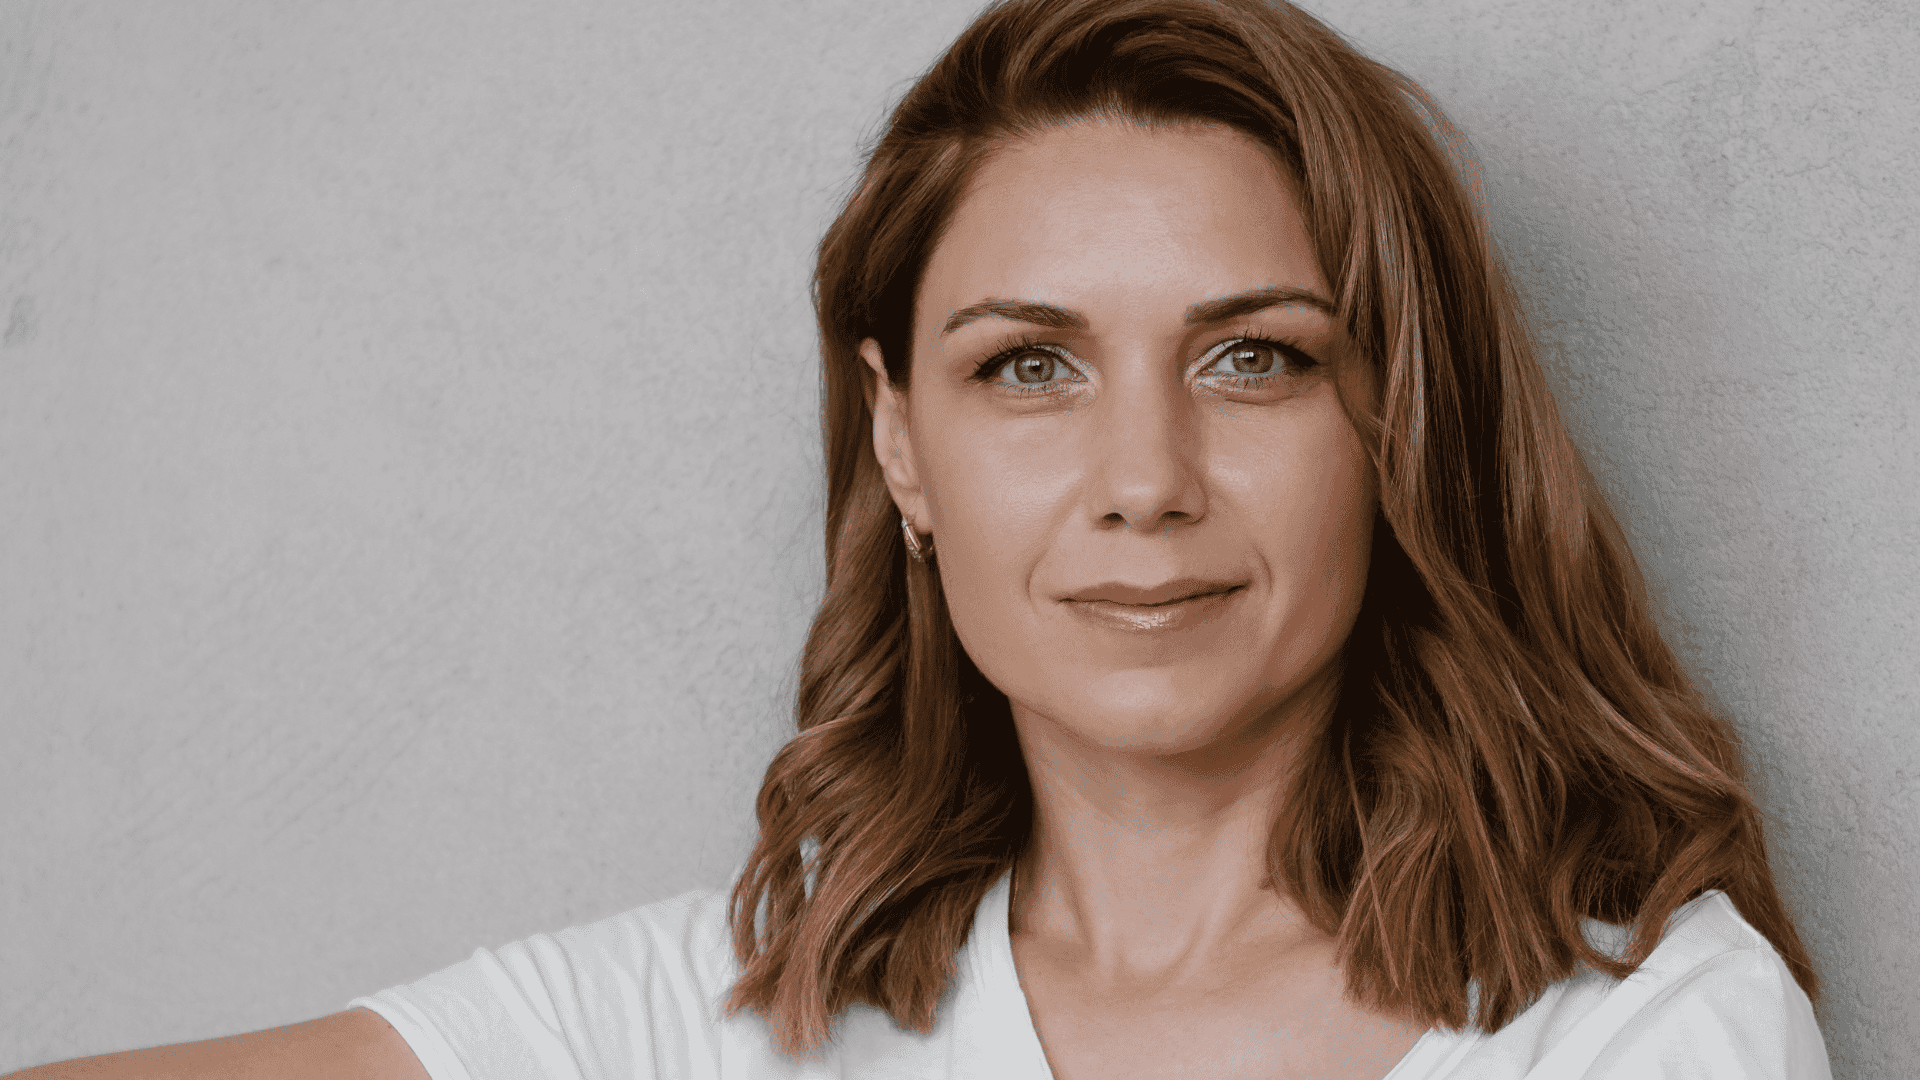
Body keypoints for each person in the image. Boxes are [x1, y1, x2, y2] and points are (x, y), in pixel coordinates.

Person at [9, 0, 1833, 1077]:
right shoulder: (730, 1017)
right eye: (1030, 366)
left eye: (1255, 358)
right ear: (903, 442)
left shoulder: (1643, 1030)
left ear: (1396, 428)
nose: (1144, 479)